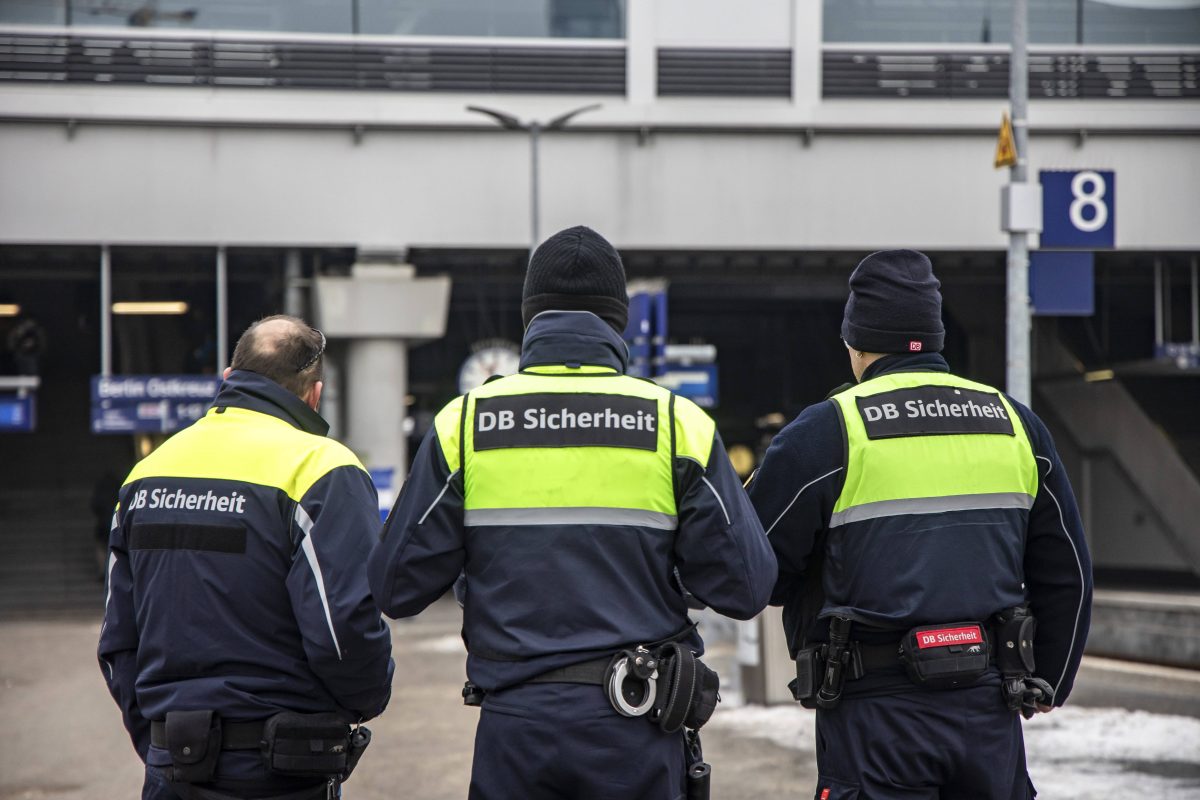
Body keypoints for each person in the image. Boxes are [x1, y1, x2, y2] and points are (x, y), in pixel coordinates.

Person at [368, 225, 777, 800]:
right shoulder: (674, 424)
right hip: (638, 728)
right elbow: (747, 586)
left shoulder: (466, 424)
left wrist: (476, 568)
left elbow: (396, 586)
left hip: (515, 734)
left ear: (530, 316)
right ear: (619, 321)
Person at [748, 250, 1093, 800]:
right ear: (935, 336)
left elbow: (756, 568)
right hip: (988, 709)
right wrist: (1050, 676)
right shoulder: (1015, 424)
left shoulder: (826, 433)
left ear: (856, 342)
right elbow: (1067, 569)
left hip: (874, 717)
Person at [99, 315, 394, 800]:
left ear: (228, 379)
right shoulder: (321, 468)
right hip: (278, 773)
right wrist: (364, 701)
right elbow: (344, 630)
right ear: (313, 395)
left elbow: (117, 638)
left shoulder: (147, 473)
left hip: (171, 766)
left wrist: (161, 738)